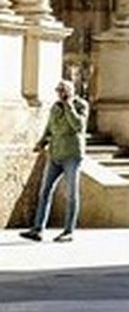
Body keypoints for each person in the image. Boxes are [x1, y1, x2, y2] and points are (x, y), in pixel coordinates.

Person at [20, 80, 88, 243]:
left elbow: (78, 126)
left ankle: (68, 231)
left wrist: (69, 106)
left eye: (63, 91)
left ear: (71, 91)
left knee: (71, 194)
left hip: (72, 155)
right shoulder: (55, 107)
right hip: (55, 154)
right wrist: (42, 142)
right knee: (45, 192)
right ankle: (38, 229)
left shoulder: (81, 105)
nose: (60, 94)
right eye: (58, 91)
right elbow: (49, 128)